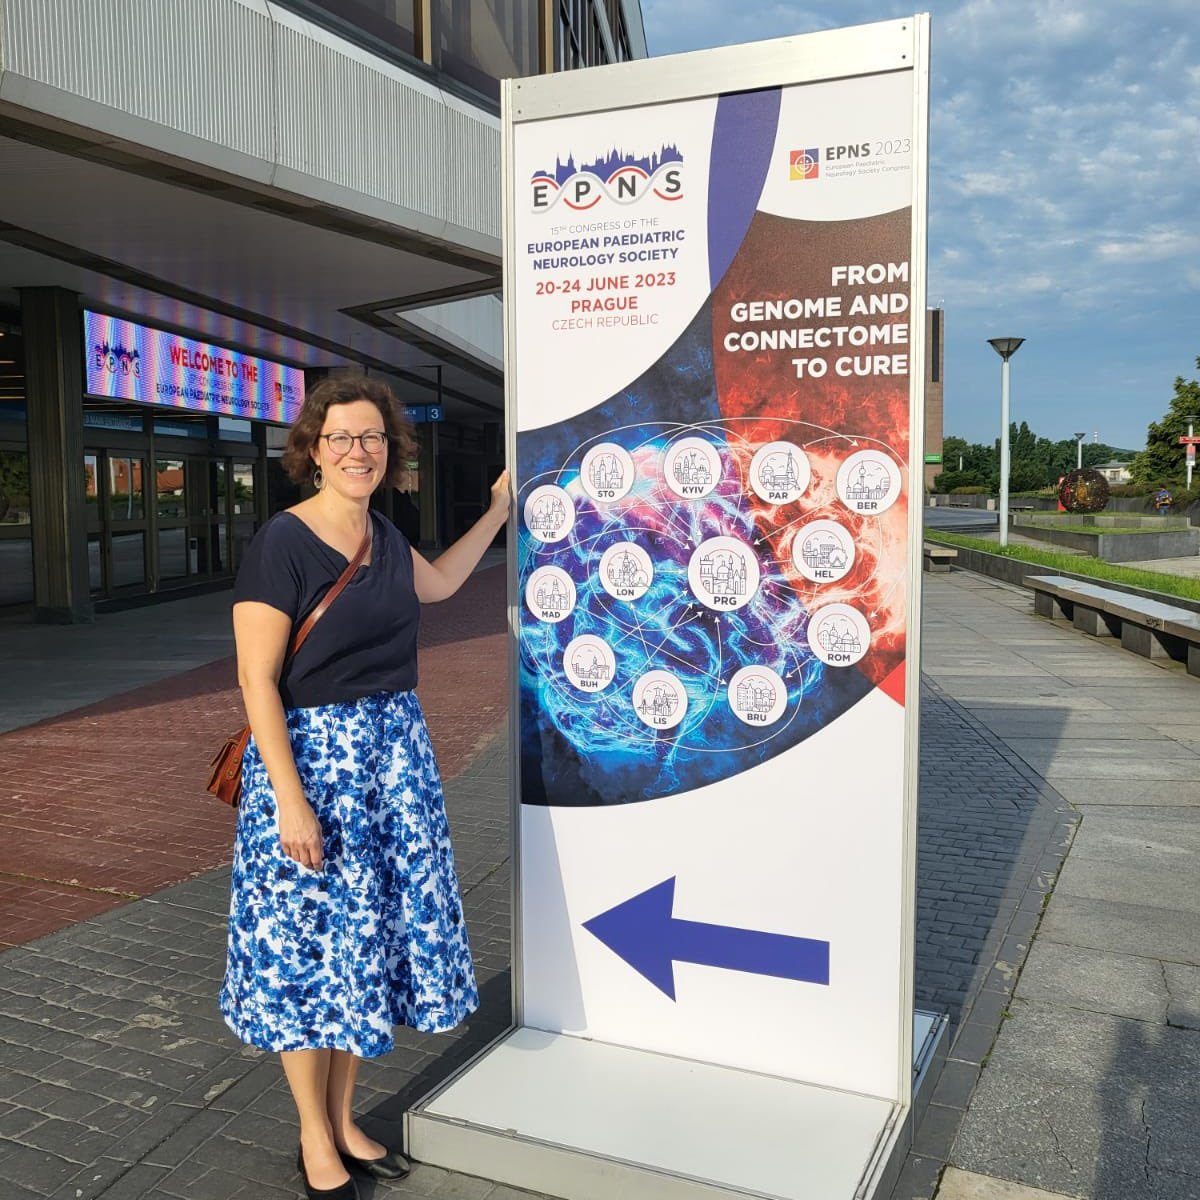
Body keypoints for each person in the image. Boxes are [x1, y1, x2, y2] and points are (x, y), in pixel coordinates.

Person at [218, 376, 510, 1200]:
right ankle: (314, 1133)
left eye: (373, 438)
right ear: (312, 450)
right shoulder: (284, 542)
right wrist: (291, 798)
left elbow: (442, 587)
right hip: (315, 768)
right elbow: (255, 679)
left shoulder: (382, 531)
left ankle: (347, 1120)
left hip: (391, 766)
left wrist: (497, 509)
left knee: (363, 951)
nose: (359, 451)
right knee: (311, 958)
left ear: (391, 450)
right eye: (341, 438)